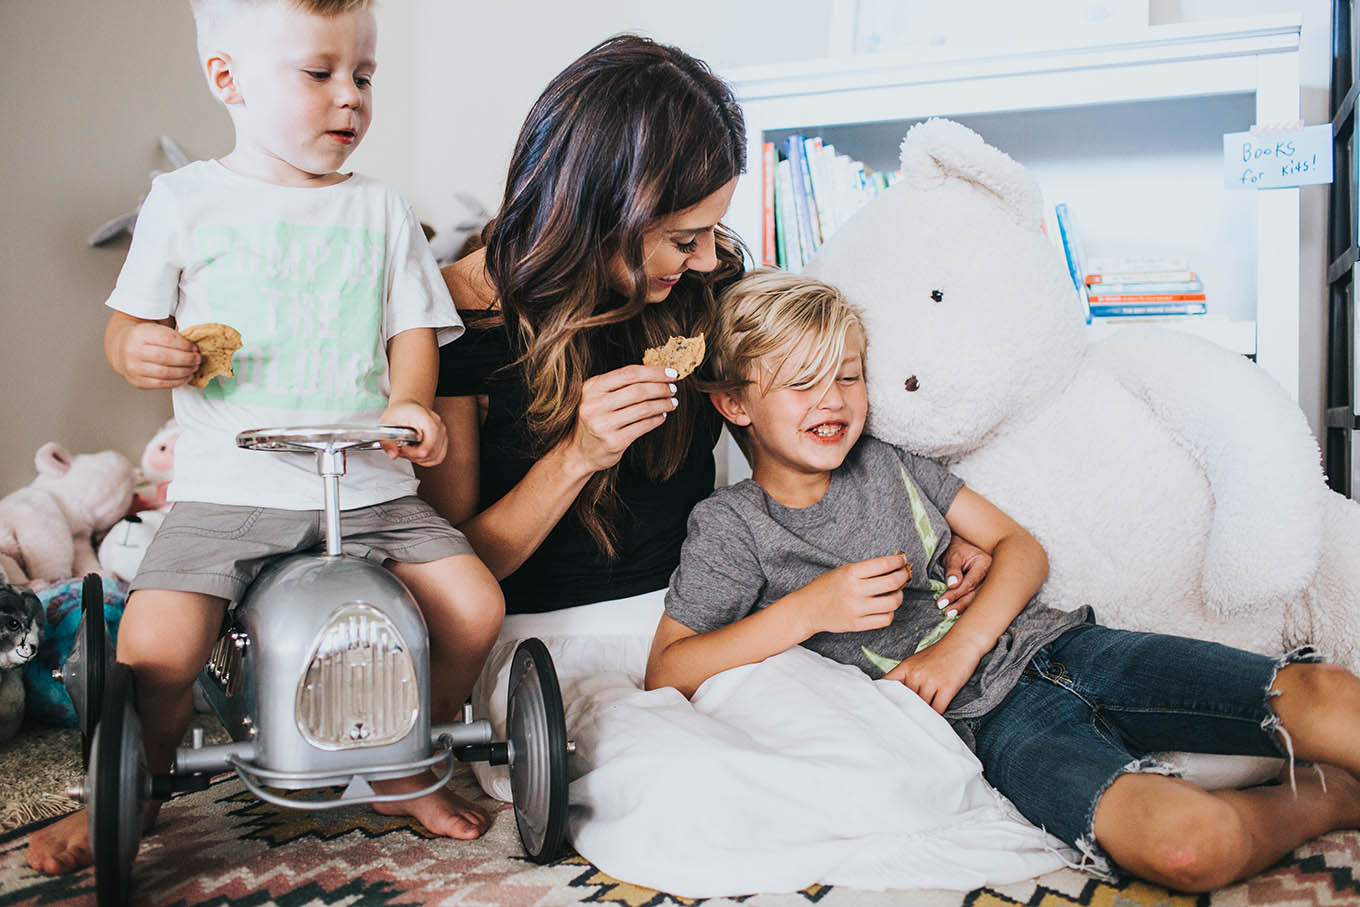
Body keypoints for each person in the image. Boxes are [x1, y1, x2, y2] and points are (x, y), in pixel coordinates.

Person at [645, 268, 1360, 893]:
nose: (832, 399)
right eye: (801, 382)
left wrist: (960, 645)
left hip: (1065, 646)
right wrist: (808, 610)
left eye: (849, 373)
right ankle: (1327, 799)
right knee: (1188, 846)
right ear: (735, 404)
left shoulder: (889, 461)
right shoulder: (731, 527)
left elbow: (1021, 547)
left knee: (1326, 694)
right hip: (993, 725)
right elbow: (666, 669)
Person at [27, 0, 504, 876]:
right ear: (228, 80)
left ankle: (405, 756)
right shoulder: (185, 201)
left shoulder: (382, 209)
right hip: (229, 488)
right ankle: (132, 788)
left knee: (474, 607)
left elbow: (411, 331)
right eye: (319, 74)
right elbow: (126, 328)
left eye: (364, 75)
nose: (350, 98)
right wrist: (141, 348)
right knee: (157, 650)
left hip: (368, 487)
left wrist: (411, 404)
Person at [421, 34, 990, 631]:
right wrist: (576, 456)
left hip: (699, 615)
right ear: (601, 215)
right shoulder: (454, 316)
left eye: (714, 231)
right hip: (541, 631)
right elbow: (459, 570)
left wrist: (930, 535)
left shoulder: (701, 289)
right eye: (683, 239)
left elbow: (795, 459)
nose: (706, 259)